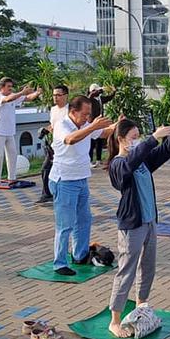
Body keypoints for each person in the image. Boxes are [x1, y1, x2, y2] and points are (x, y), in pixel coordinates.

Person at [105, 119, 170, 337]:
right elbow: (130, 164)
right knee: (126, 270)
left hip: (149, 222)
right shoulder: (117, 164)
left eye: (139, 136)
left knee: (147, 267)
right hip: (132, 225)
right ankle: (115, 320)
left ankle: (142, 306)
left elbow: (163, 152)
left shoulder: (142, 161)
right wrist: (151, 139)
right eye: (133, 137)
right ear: (121, 140)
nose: (137, 141)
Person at [49, 96, 117, 275]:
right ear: (73, 112)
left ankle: (80, 255)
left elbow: (103, 133)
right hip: (64, 181)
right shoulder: (62, 125)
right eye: (85, 114)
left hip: (81, 179)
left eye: (89, 115)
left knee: (84, 219)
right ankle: (60, 263)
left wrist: (116, 125)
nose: (87, 118)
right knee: (65, 225)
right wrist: (93, 126)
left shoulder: (86, 125)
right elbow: (70, 140)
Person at [0, 77, 42, 185]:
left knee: (12, 154)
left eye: (11, 86)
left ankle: (12, 177)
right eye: (8, 86)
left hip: (9, 131)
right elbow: (8, 99)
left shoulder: (14, 97)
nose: (10, 88)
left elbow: (27, 98)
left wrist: (37, 92)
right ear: (2, 87)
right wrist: (22, 91)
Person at [37, 85, 70, 204]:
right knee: (46, 168)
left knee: (63, 172)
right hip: (54, 145)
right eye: (54, 95)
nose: (55, 98)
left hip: (66, 146)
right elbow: (53, 125)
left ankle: (61, 194)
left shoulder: (70, 110)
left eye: (58, 95)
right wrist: (45, 130)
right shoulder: (54, 110)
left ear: (66, 96)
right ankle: (46, 194)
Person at [88, 83, 115, 168]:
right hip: (92, 123)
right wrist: (102, 89)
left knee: (99, 141)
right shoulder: (90, 99)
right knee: (91, 143)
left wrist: (114, 91)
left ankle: (99, 160)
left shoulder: (99, 99)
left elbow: (109, 98)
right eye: (96, 90)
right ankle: (89, 160)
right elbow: (92, 94)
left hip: (100, 123)